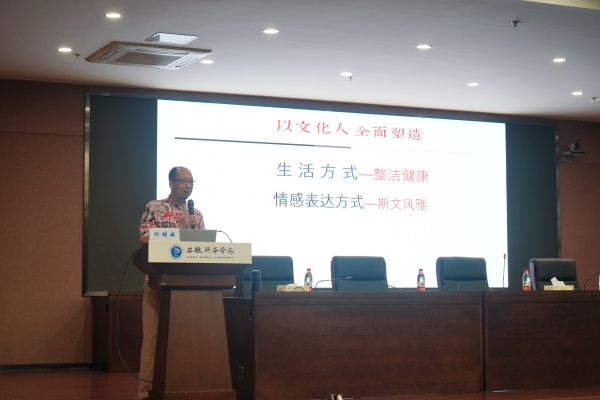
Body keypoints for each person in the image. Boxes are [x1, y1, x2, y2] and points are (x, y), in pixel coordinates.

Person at [138, 166, 205, 399]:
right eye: (183, 181)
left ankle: (183, 388)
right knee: (153, 339)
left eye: (191, 181)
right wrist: (179, 227)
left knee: (188, 339)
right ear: (171, 183)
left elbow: (202, 248)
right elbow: (145, 238)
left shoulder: (196, 213)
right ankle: (146, 392)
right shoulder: (155, 207)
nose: (188, 185)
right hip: (158, 283)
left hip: (190, 286)